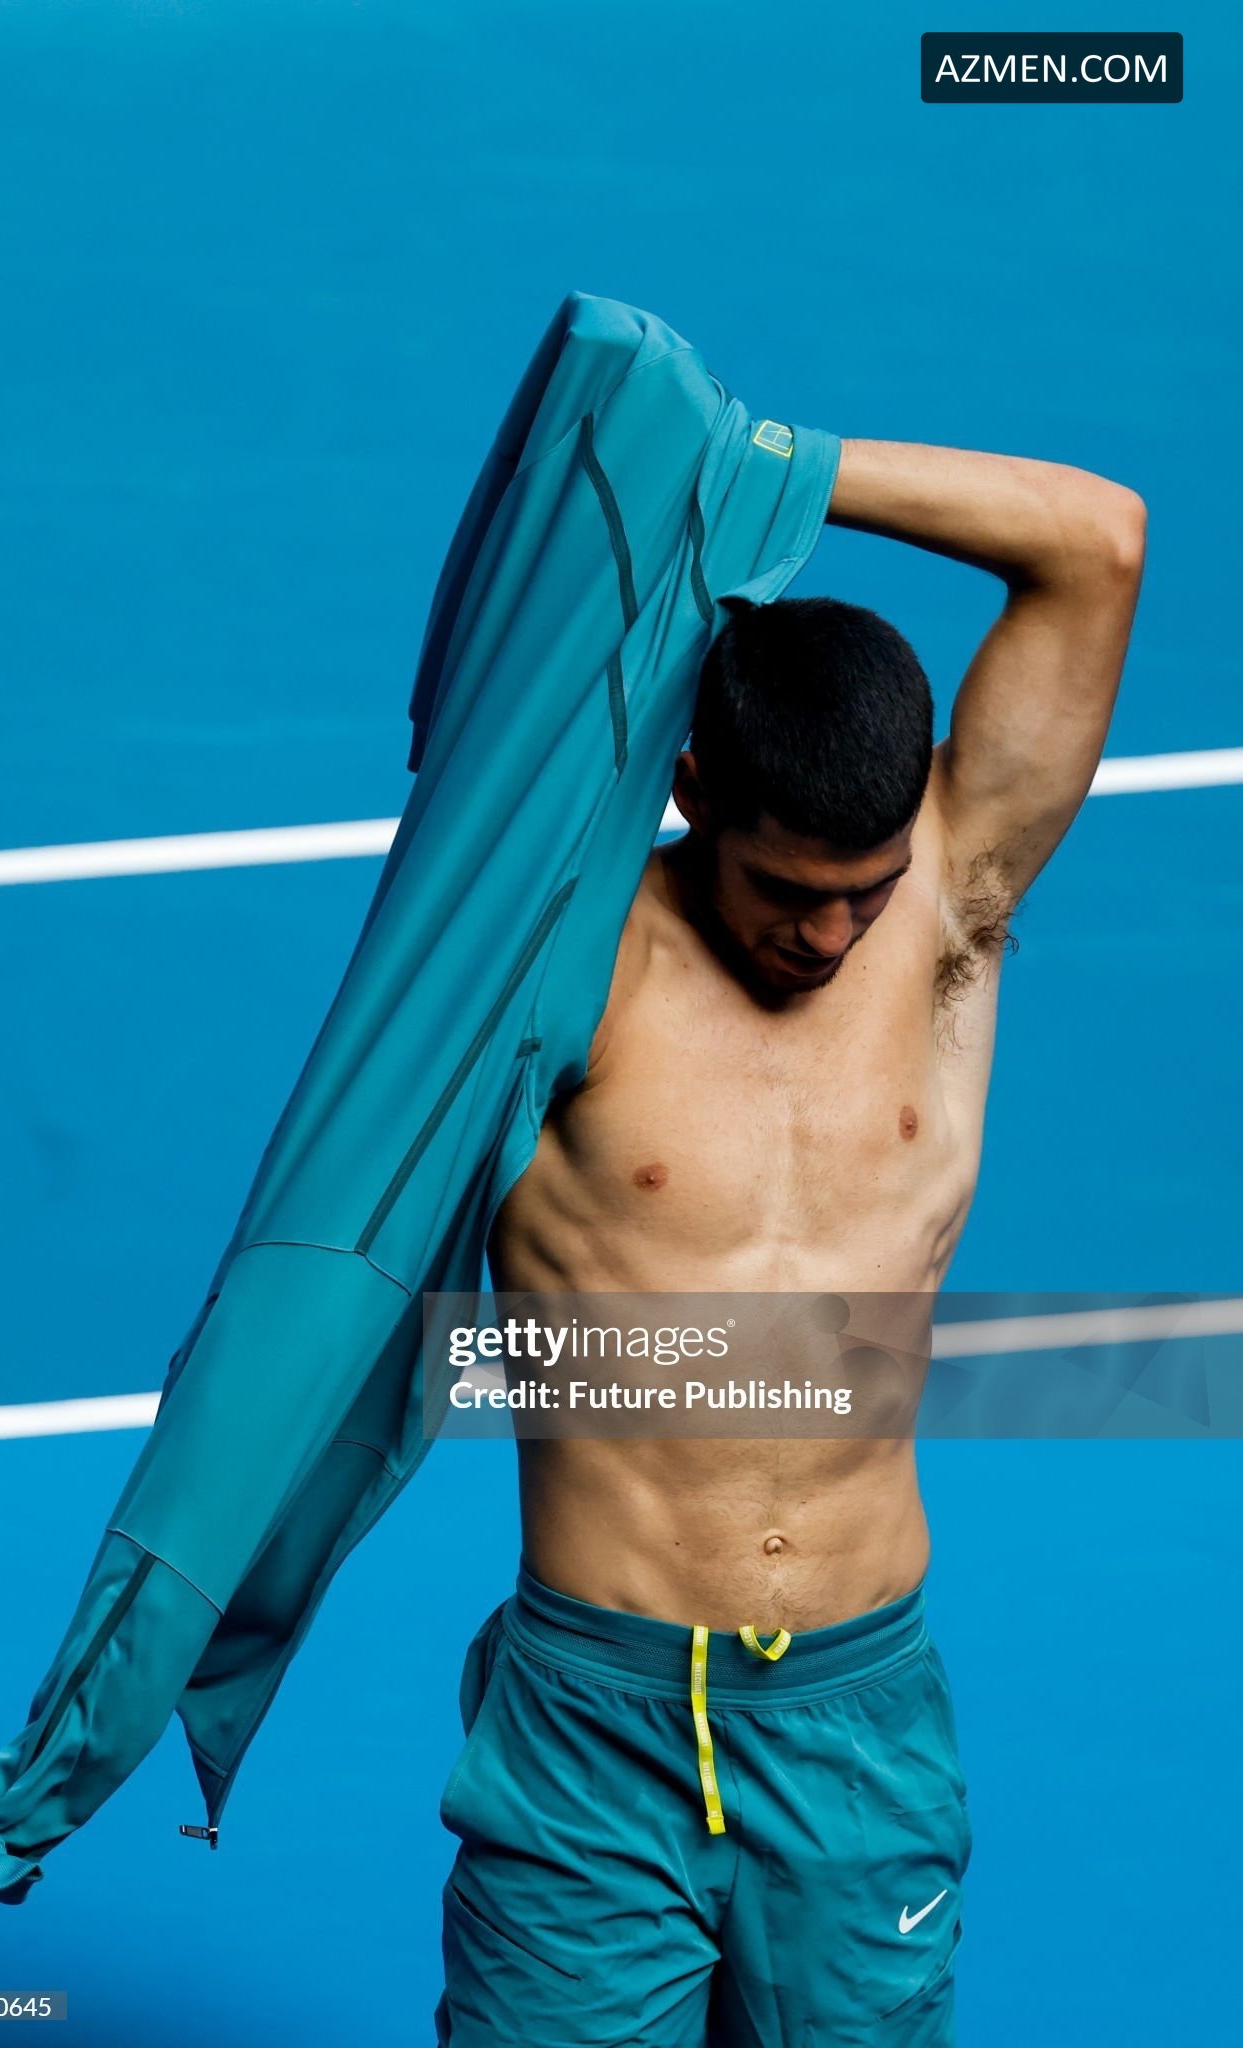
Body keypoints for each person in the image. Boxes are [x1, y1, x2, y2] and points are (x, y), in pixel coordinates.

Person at [433, 436, 1146, 2046]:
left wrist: (765, 458)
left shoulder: (949, 907)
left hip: (853, 1723)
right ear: (692, 792)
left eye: (859, 895)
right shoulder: (560, 956)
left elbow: (1094, 544)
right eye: (785, 890)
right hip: (591, 1726)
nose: (825, 936)